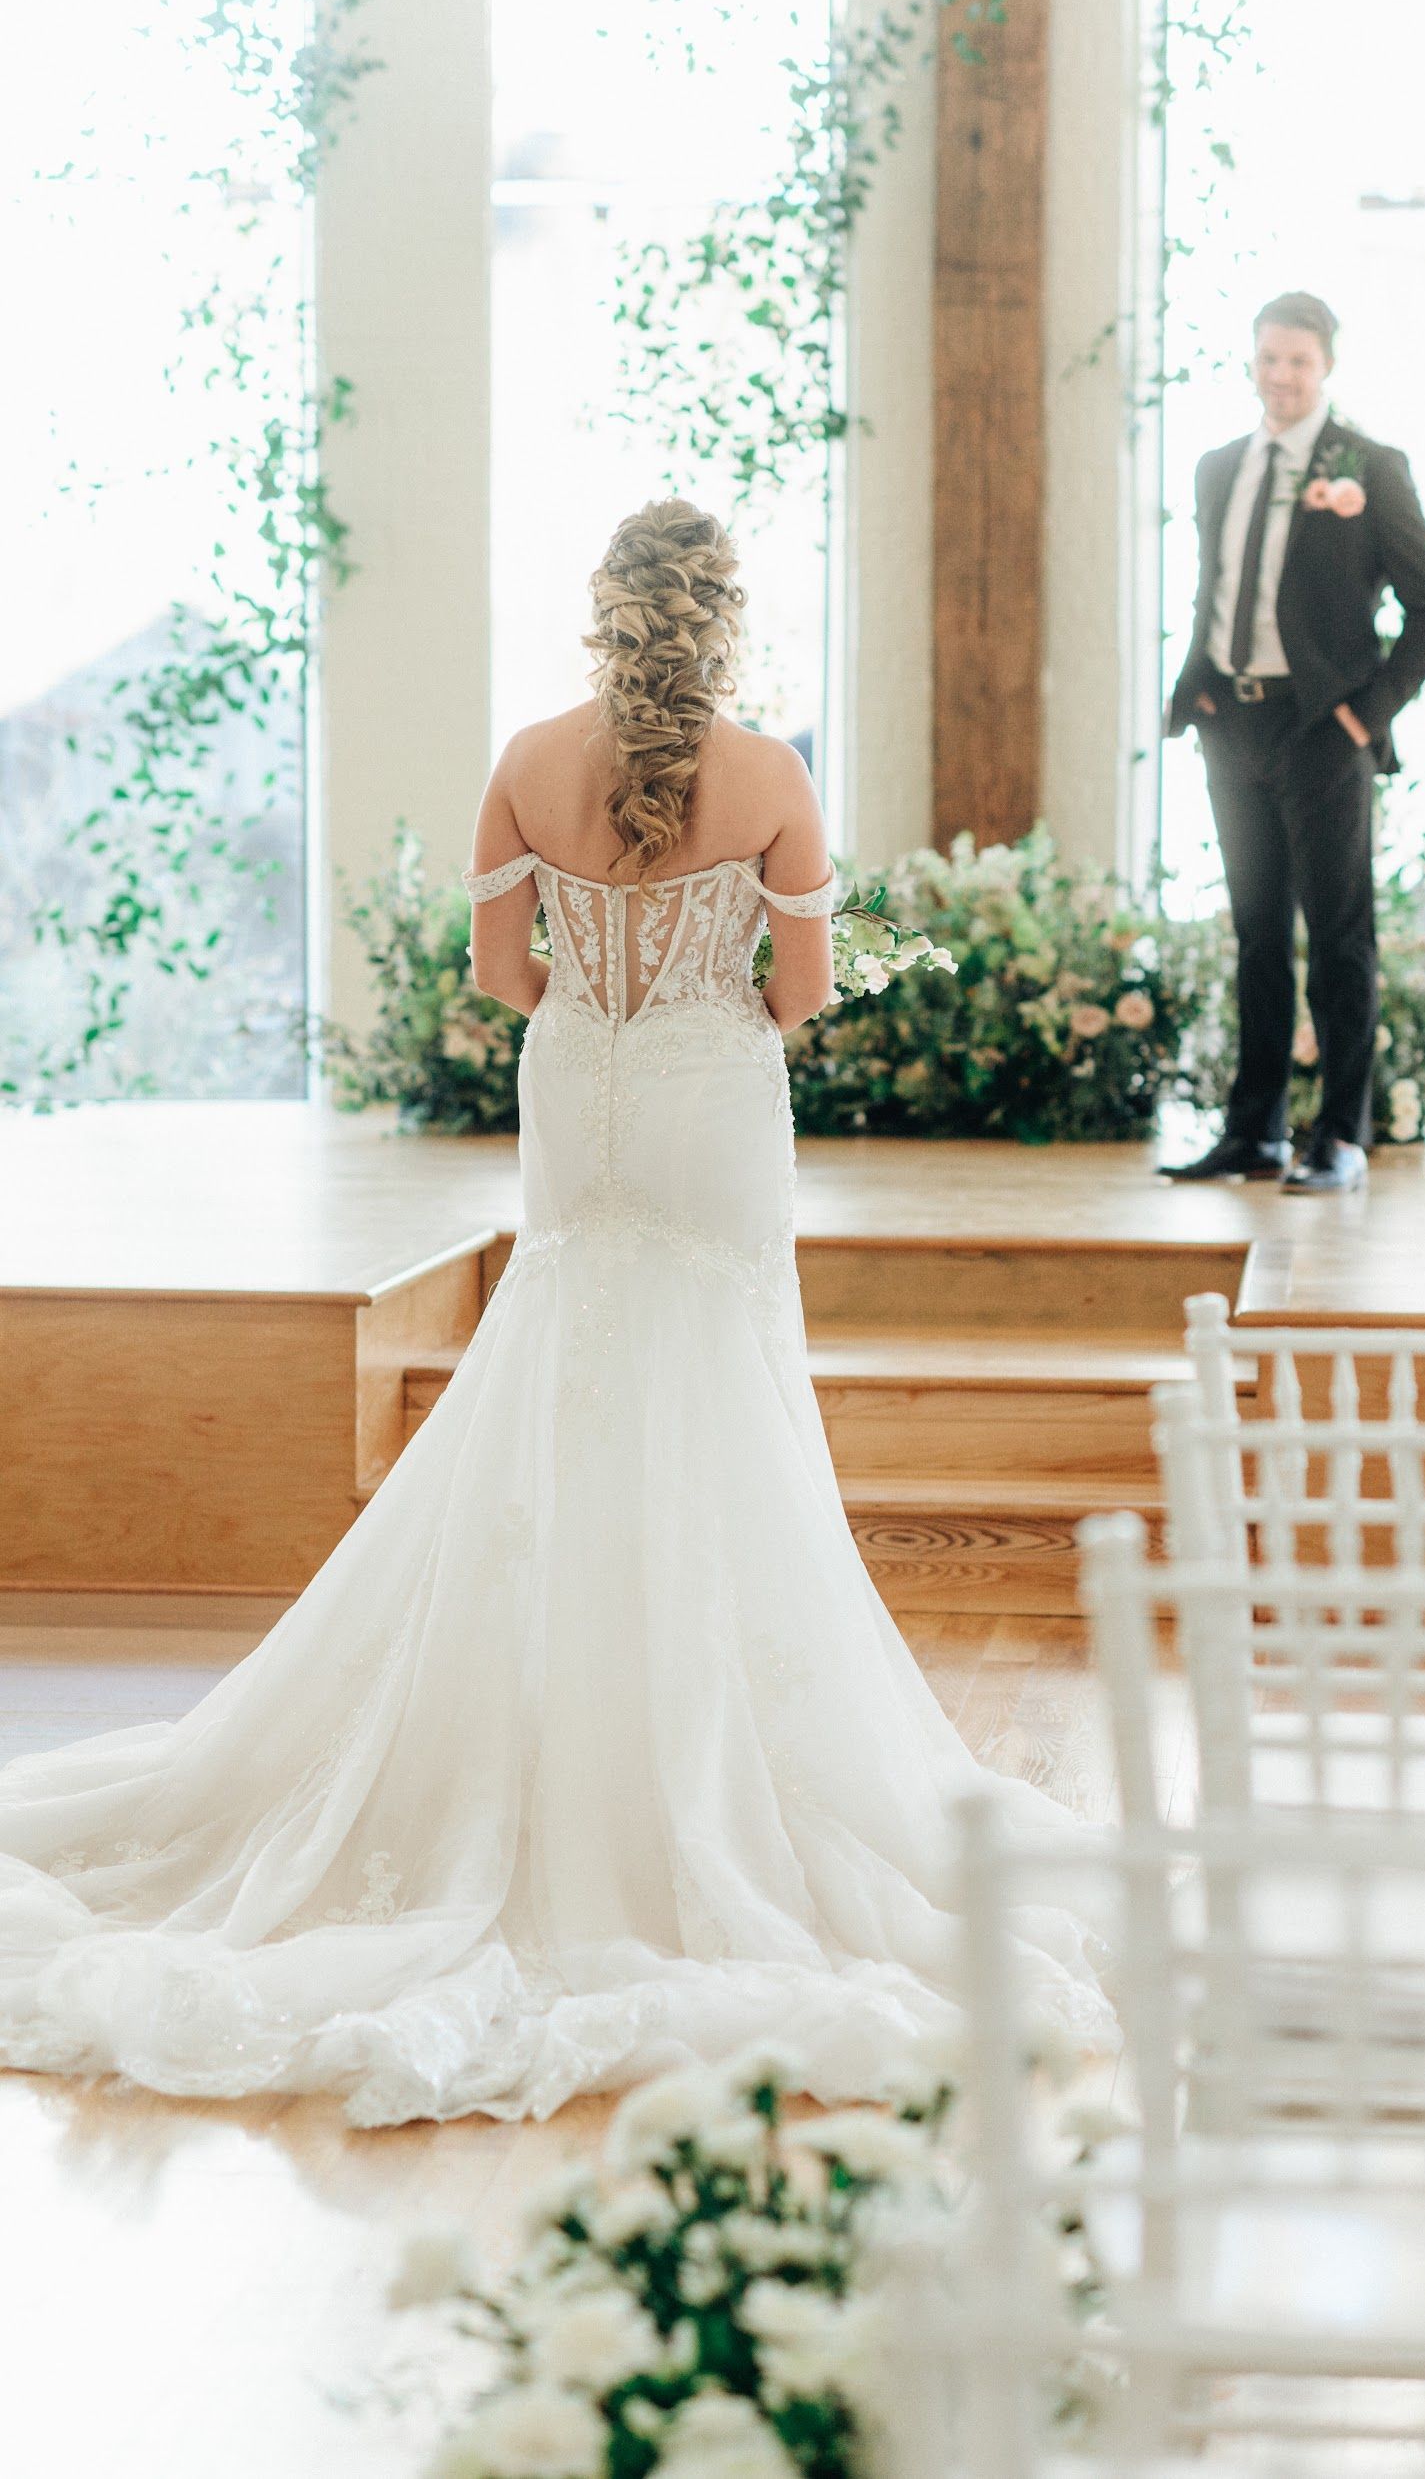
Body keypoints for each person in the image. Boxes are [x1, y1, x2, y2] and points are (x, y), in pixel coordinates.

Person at [0, 499, 1117, 2127]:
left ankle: (528, 1723)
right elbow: (800, 996)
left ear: (608, 615)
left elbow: (499, 975)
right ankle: (683, 1748)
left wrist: (607, 991)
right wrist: (724, 974)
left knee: (559, 1366)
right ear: (719, 617)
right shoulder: (774, 781)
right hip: (710, 1106)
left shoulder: (526, 760)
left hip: (579, 1093)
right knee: (718, 1387)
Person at [1161, 291, 1425, 1193]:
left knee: (1337, 937)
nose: (1280, 375)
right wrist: (1202, 695)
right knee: (1255, 936)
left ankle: (1338, 1135)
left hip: (1322, 732)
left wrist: (1364, 717)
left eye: (1297, 361)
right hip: (1230, 721)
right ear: (1250, 362)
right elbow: (1220, 590)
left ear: (1325, 366)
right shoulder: (1218, 468)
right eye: (1267, 358)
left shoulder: (1368, 467)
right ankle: (1252, 1132)